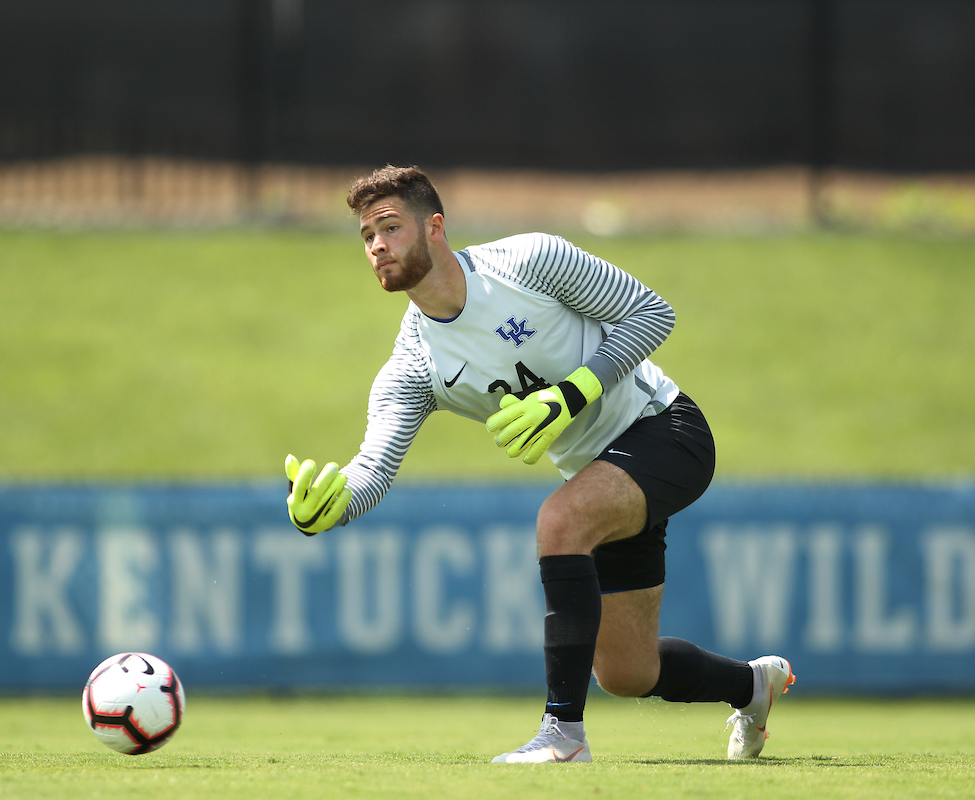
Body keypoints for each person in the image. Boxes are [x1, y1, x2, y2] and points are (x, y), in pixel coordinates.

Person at [284, 164, 795, 763]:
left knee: (560, 521)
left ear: (435, 228)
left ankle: (563, 736)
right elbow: (373, 467)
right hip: (598, 474)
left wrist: (574, 392)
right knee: (627, 672)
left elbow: (651, 313)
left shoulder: (529, 260)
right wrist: (334, 505)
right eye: (367, 236)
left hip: (666, 429)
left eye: (391, 227)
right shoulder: (413, 366)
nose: (376, 245)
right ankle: (751, 685)